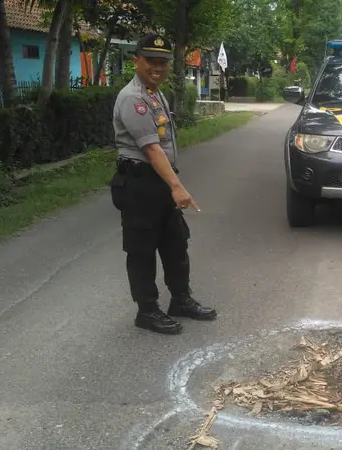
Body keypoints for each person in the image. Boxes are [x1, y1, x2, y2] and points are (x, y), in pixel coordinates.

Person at [110, 34, 217, 335]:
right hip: (140, 183)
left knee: (175, 242)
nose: (158, 67)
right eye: (151, 61)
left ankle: (180, 300)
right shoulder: (134, 99)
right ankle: (147, 310)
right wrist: (177, 185)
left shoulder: (155, 94)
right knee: (142, 248)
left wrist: (170, 184)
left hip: (158, 182)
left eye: (163, 62)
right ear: (136, 61)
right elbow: (152, 149)